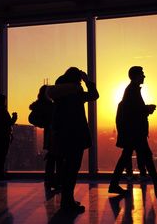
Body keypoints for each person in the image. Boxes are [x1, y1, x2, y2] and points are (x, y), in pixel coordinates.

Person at [109, 66, 157, 195]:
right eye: (142, 74)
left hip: (133, 131)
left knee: (134, 156)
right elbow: (134, 111)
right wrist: (147, 109)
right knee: (142, 156)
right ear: (136, 76)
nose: (144, 76)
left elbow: (132, 110)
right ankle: (156, 184)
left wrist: (145, 109)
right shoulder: (132, 91)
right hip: (136, 132)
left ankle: (115, 184)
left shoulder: (131, 90)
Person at [47, 67, 99, 214]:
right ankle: (67, 202)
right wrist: (88, 81)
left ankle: (66, 200)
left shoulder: (58, 95)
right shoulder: (75, 93)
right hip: (76, 136)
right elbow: (94, 95)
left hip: (62, 136)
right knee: (72, 170)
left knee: (66, 169)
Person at [29, 85, 62, 189]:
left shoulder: (42, 105)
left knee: (52, 158)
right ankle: (57, 181)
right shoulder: (52, 105)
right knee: (58, 159)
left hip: (49, 135)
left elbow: (32, 118)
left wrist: (45, 124)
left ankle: (50, 181)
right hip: (56, 135)